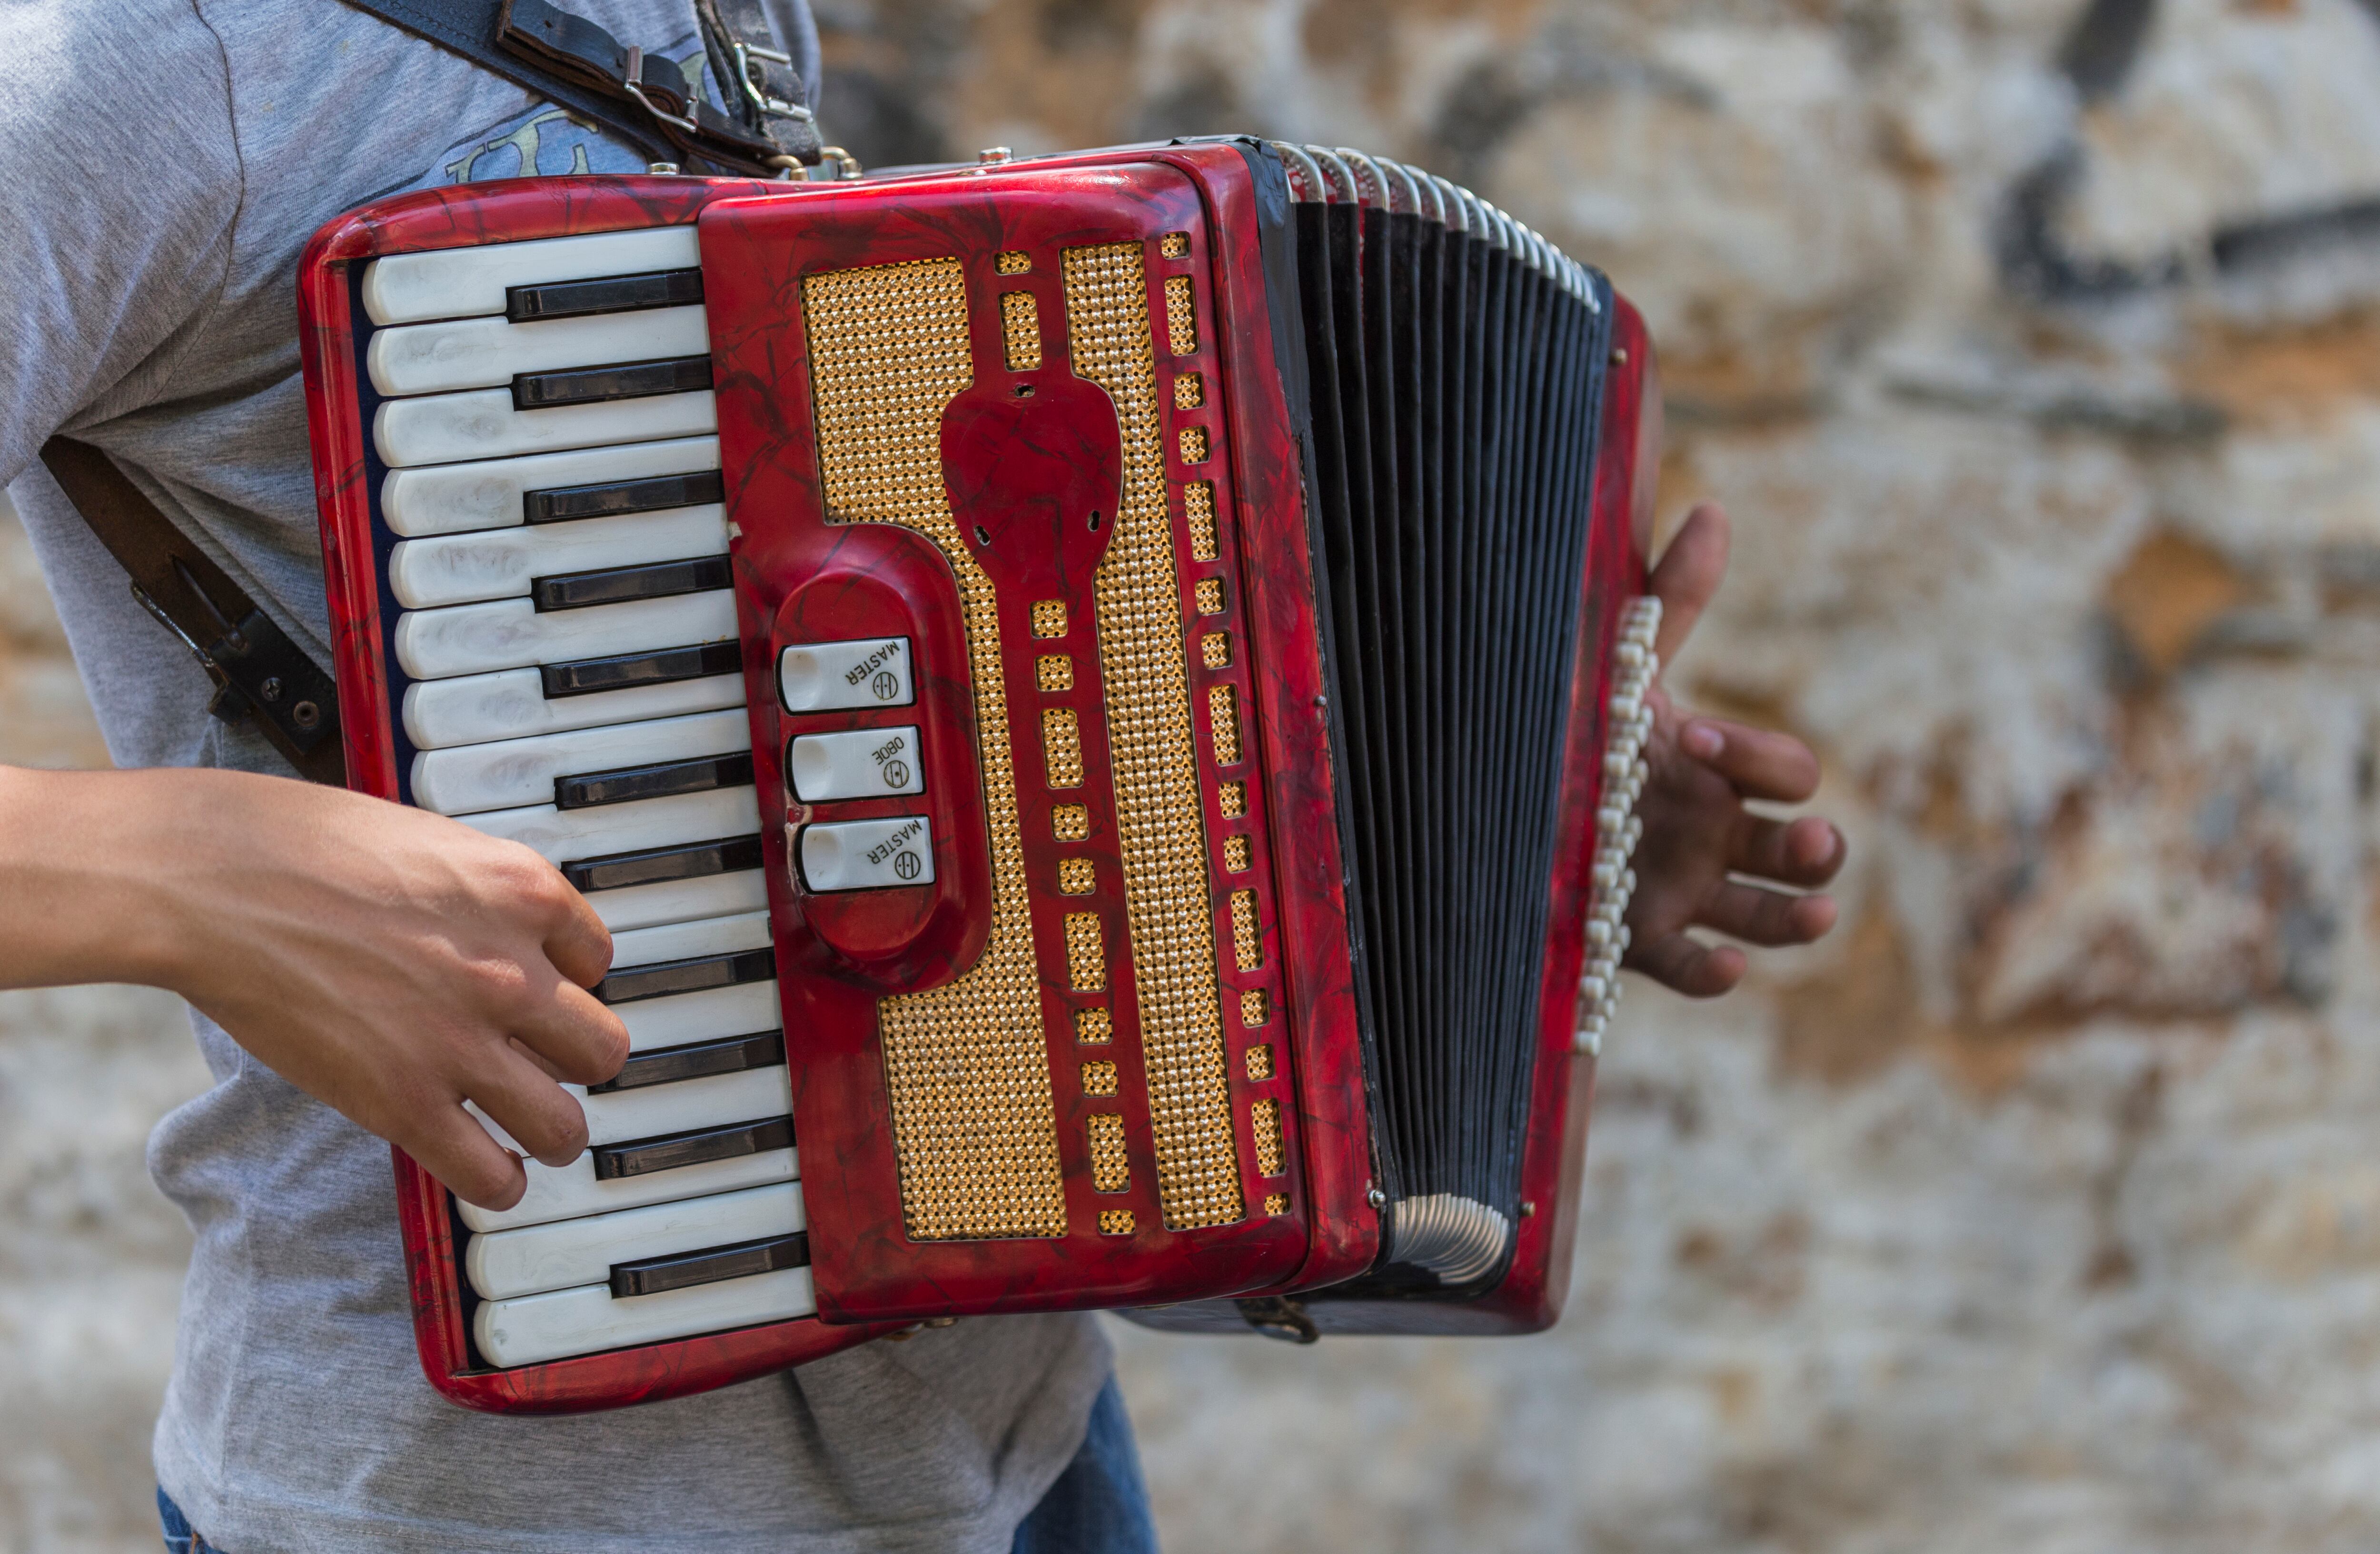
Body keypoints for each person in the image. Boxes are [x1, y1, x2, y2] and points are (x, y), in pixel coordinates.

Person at [0, 1, 1847, 1549]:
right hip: (486, 1513)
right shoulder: (132, 66)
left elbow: (944, 719)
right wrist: (196, 875)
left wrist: (1497, 842)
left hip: (1006, 1460)